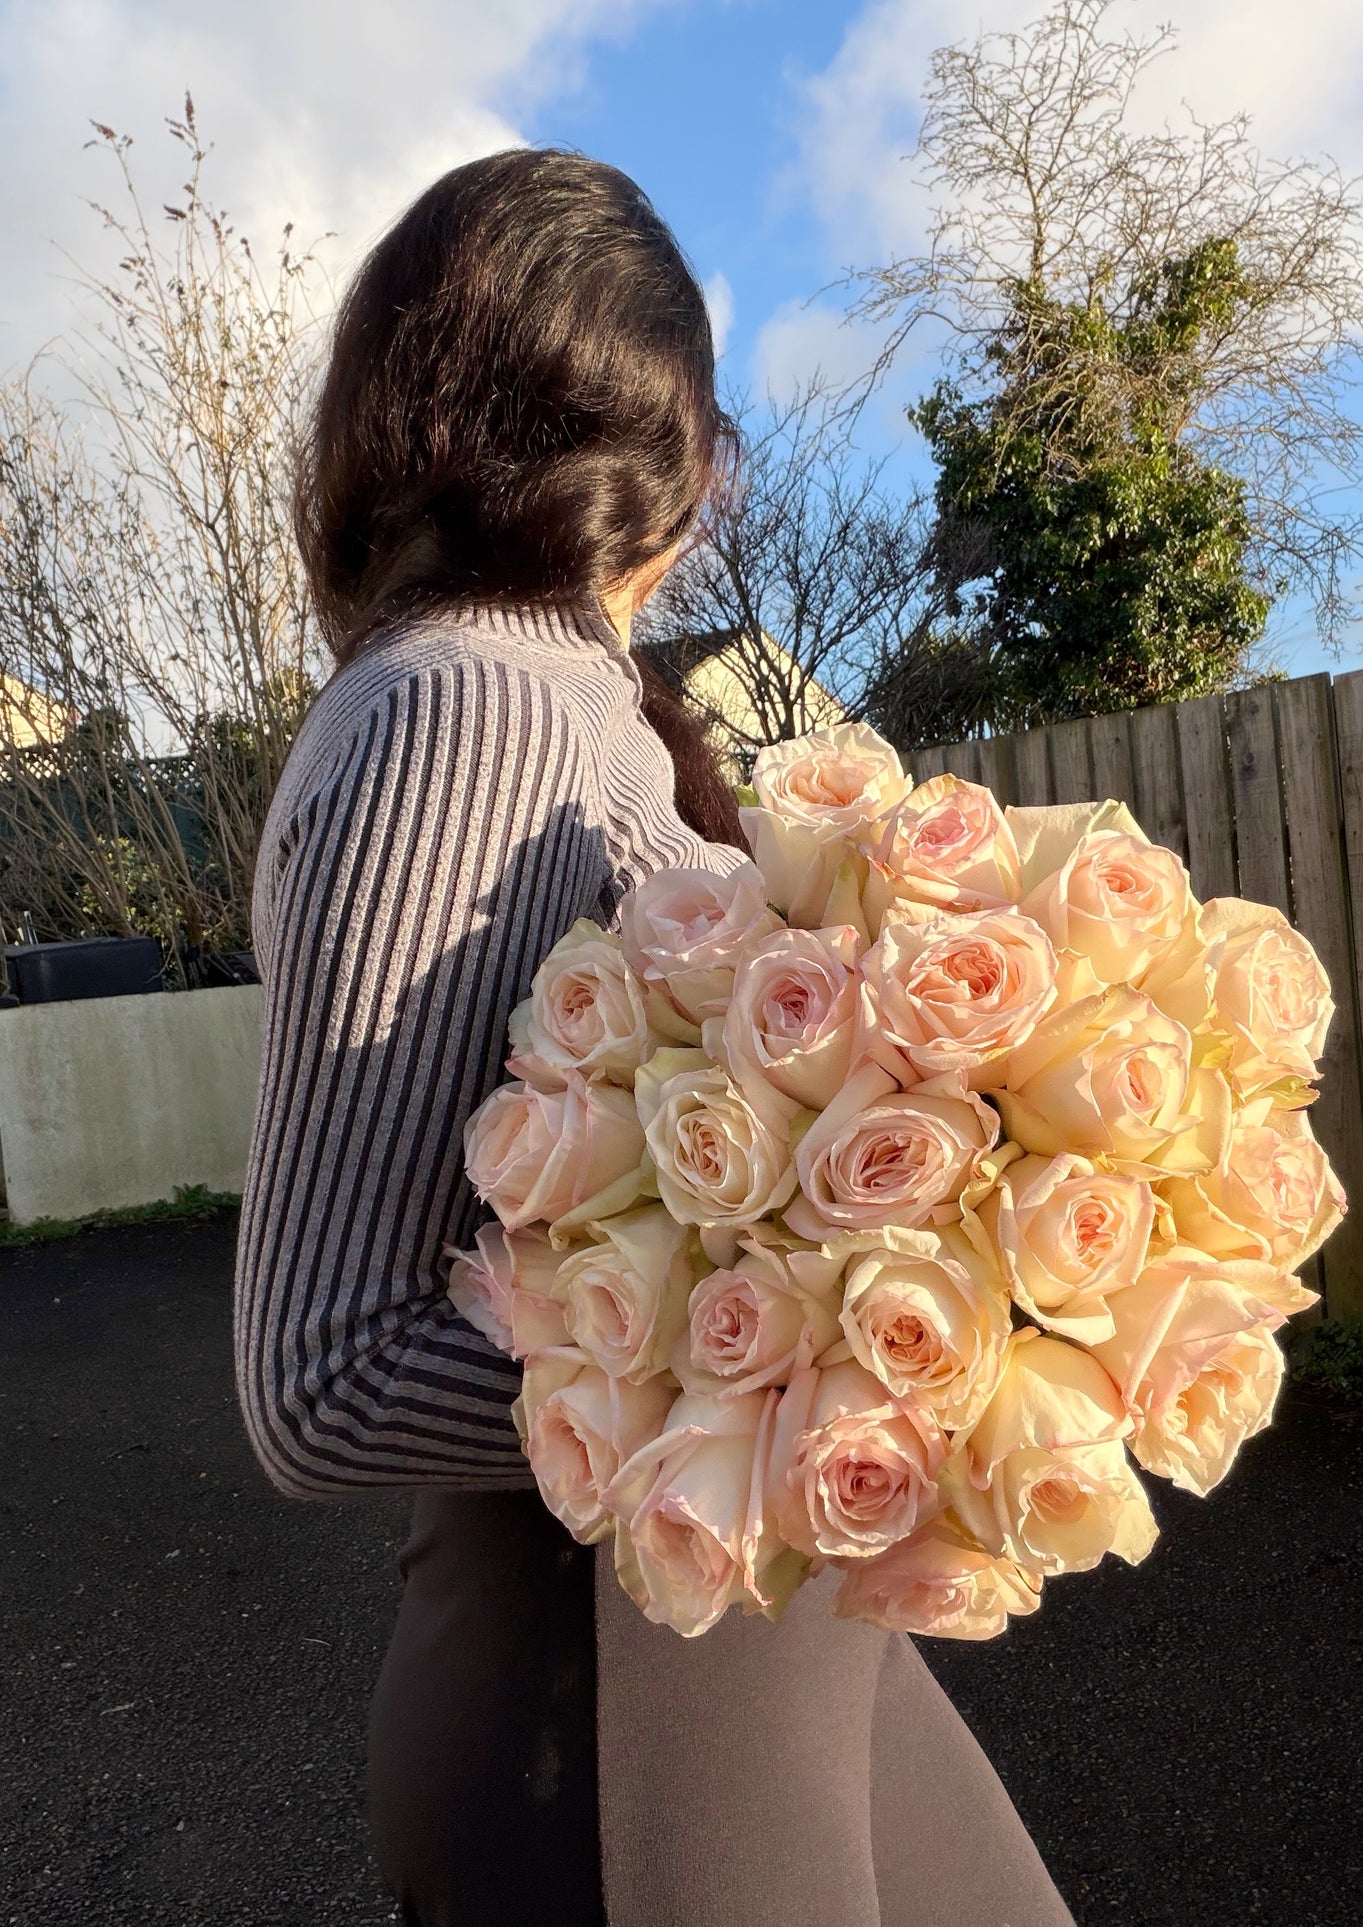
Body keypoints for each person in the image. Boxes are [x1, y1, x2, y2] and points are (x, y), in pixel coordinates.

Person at [234, 146, 1074, 1927]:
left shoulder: (572, 704)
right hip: (612, 1720)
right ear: (680, 459)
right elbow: (326, 1377)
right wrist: (807, 1370)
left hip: (747, 1644)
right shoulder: (464, 705)